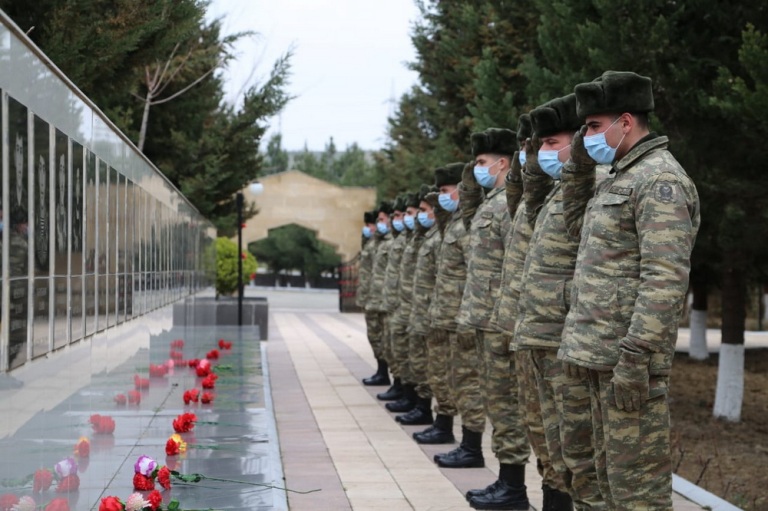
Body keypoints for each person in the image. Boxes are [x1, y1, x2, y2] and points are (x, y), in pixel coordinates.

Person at [558, 71, 700, 510]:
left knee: (637, 492)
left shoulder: (659, 181)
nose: (586, 137)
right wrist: (579, 164)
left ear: (625, 122)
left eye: (593, 127)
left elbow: (665, 278)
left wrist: (637, 356)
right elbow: (574, 227)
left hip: (626, 362)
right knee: (603, 482)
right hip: (595, 356)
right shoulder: (618, 177)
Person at [514, 94, 603, 511]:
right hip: (541, 334)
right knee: (554, 445)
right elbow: (526, 195)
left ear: (578, 140)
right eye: (540, 145)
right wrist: (533, 157)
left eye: (552, 143)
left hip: (567, 338)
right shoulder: (556, 192)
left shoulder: (594, 188)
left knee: (580, 454)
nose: (543, 152)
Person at [489, 114, 569, 507]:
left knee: (565, 439)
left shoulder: (583, 193)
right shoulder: (539, 198)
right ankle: (533, 495)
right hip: (526, 329)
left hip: (559, 337)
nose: (535, 154)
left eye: (549, 144)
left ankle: (552, 500)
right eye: (531, 146)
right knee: (539, 428)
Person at [449, 128, 530, 511]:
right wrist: (469, 180)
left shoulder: (510, 205)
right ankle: (506, 480)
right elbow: (466, 217)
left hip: (501, 323)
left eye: (482, 162)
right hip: (485, 321)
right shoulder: (491, 203)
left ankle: (514, 488)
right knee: (497, 404)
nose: (476, 168)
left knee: (507, 406)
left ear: (502, 163)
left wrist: (507, 320)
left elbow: (517, 265)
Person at [411, 163, 467, 444]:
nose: (441, 197)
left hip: (459, 319)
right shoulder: (450, 226)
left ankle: (466, 442)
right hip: (439, 314)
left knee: (463, 381)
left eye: (446, 191)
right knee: (439, 373)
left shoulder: (466, 224)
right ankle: (441, 424)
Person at [397, 188, 442, 425]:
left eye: (421, 211)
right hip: (415, 309)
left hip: (433, 315)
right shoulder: (422, 237)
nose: (415, 217)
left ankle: (428, 411)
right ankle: (417, 403)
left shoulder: (439, 237)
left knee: (433, 368)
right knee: (415, 360)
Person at [378, 192, 423, 403]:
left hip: (415, 307)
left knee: (416, 358)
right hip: (397, 304)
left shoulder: (420, 239)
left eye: (407, 213)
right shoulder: (405, 239)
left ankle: (415, 401)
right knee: (397, 350)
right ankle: (403, 390)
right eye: (398, 215)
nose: (403, 218)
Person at [362, 201, 395, 386]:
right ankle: (381, 371)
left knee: (387, 341)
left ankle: (389, 376)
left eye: (381, 220)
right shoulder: (377, 242)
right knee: (375, 337)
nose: (377, 224)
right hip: (373, 298)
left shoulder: (391, 242)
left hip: (384, 300)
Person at [379, 196, 409, 394]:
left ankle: (410, 395)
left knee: (411, 355)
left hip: (409, 307)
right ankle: (399, 385)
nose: (400, 219)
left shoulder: (408, 240)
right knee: (392, 347)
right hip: (392, 303)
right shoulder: (399, 239)